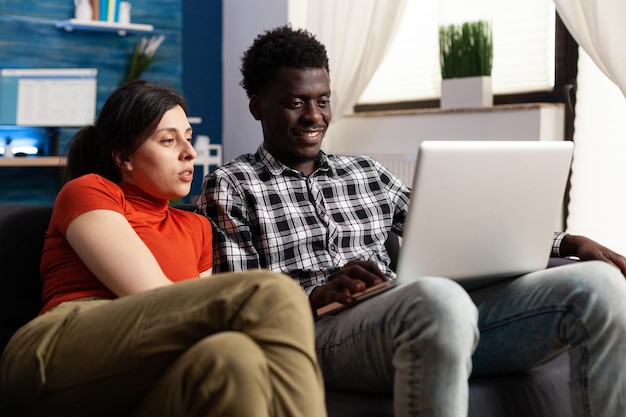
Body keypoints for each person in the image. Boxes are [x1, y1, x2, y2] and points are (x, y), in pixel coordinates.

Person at [197, 25, 626, 417]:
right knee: (438, 298)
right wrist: (316, 294)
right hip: (319, 334)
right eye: (295, 103)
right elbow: (242, 303)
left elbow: (459, 223)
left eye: (322, 100)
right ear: (258, 106)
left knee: (600, 286)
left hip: (407, 313)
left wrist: (566, 242)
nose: (314, 116)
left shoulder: (366, 172)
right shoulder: (232, 185)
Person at [0, 80, 326, 417]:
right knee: (273, 292)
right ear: (123, 157)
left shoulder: (197, 227)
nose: (189, 151)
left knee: (232, 357)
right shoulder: (89, 191)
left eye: (187, 136)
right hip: (57, 353)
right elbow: (149, 296)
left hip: (145, 375)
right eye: (169, 140)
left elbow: (189, 324)